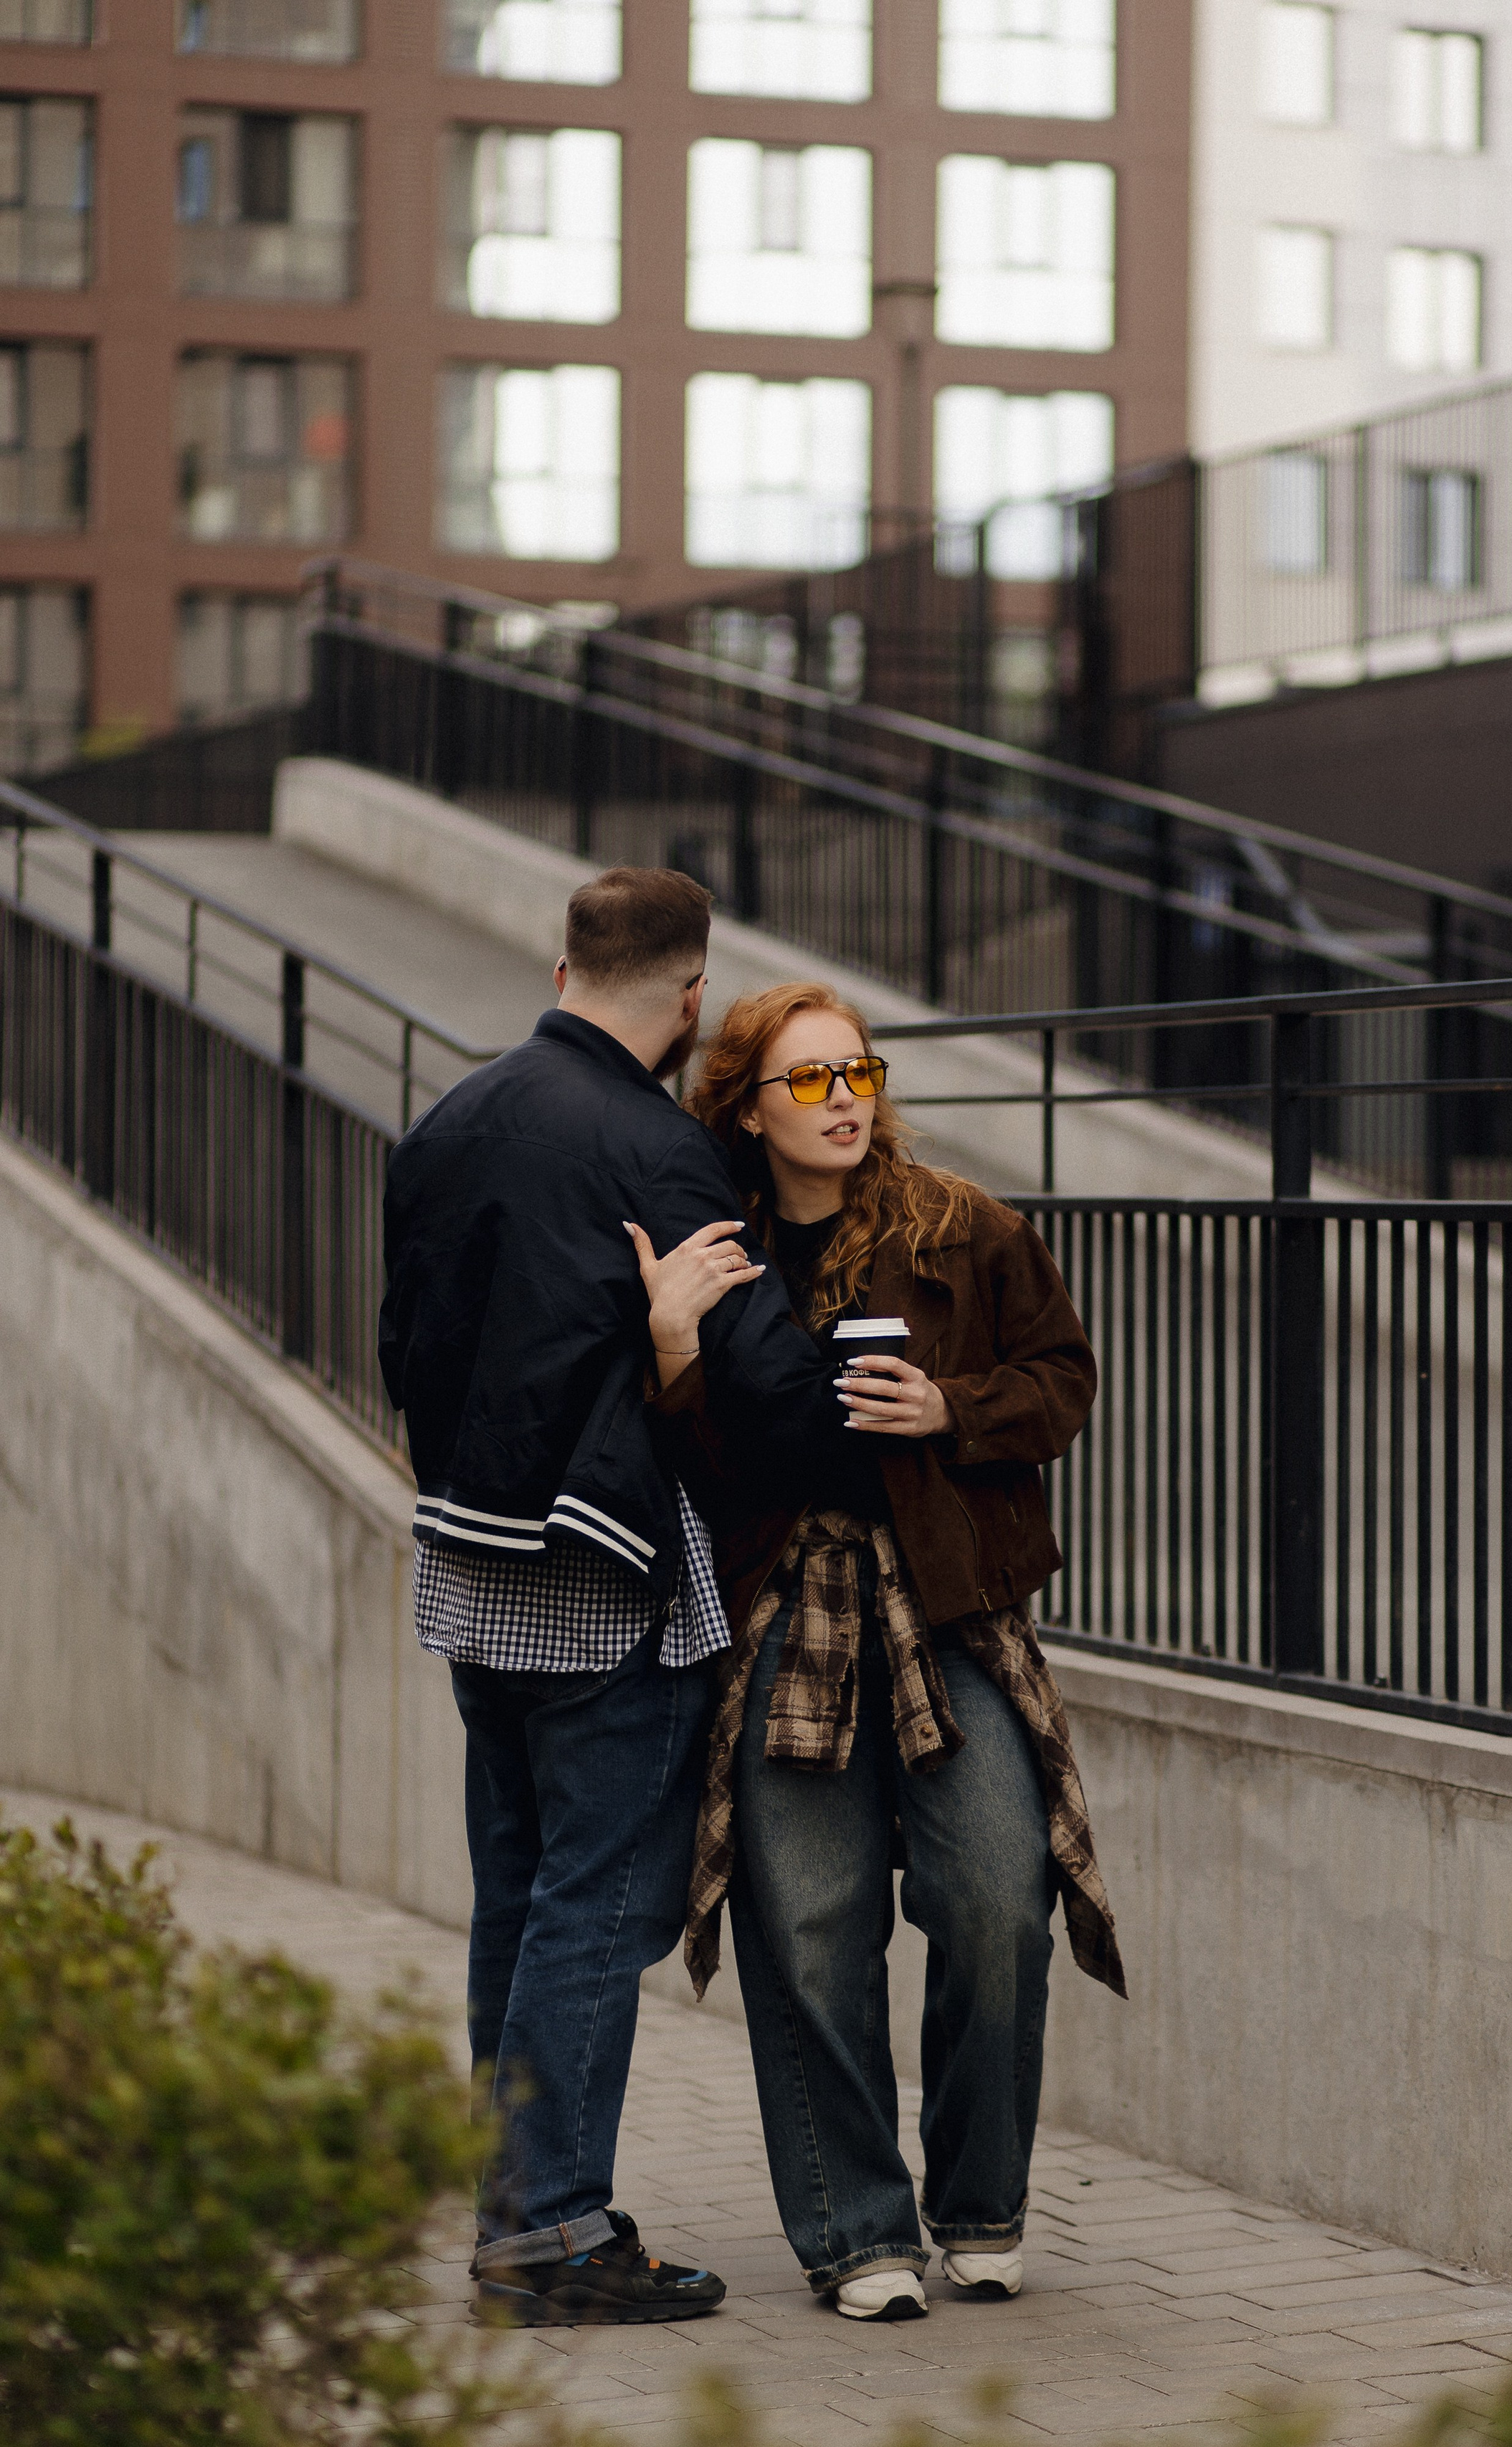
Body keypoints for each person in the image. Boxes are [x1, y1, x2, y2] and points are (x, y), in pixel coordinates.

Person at [377, 870, 845, 2329]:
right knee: (595, 1905)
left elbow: (410, 1344)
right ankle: (554, 2233)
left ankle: (514, 2204)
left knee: (516, 1897)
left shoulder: (447, 1124)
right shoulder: (656, 1148)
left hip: (469, 1569)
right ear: (693, 995)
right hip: (599, 1586)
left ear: (565, 959)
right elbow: (761, 1382)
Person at [629, 980, 1126, 2327]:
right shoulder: (717, 1254)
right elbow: (690, 1455)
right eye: (808, 1080)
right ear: (746, 1103)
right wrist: (675, 1346)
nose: (844, 1097)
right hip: (785, 1610)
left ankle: (978, 2204)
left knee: (993, 1895)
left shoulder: (963, 1227)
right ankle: (857, 2228)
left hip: (946, 1607)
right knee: (809, 1929)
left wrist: (948, 1407)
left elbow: (1064, 1383)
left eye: (857, 1070)